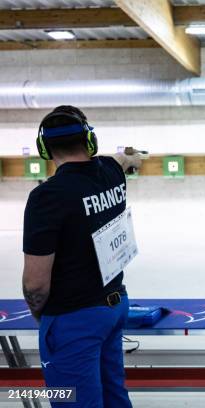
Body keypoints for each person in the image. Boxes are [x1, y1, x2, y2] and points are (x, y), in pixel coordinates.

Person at [22, 105, 142, 408]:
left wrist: (46, 319)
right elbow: (122, 160)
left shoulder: (47, 197)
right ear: (89, 139)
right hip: (114, 306)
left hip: (74, 318)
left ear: (43, 148)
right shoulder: (112, 173)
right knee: (114, 395)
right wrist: (132, 157)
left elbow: (35, 284)